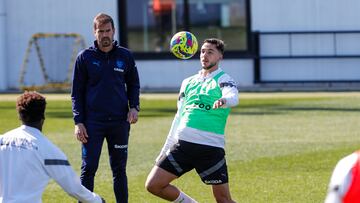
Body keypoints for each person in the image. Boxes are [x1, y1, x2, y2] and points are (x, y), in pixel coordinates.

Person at [145, 38, 238, 203]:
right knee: (153, 185)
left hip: (209, 148)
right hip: (182, 146)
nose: (204, 55)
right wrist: (164, 150)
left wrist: (224, 100)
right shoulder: (187, 82)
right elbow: (178, 117)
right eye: (202, 51)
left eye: (210, 52)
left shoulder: (224, 79)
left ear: (220, 57)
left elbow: (232, 96)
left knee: (223, 200)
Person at [71, 13, 140, 203]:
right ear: (94, 33)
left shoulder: (125, 56)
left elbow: (133, 84)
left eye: (107, 30)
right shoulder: (84, 58)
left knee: (119, 170)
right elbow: (76, 93)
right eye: (100, 31)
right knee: (88, 169)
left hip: (119, 122)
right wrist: (79, 122)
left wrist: (134, 107)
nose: (104, 35)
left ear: (114, 31)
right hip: (93, 124)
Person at [0, 91, 105, 203]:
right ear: (43, 116)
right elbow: (74, 188)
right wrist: (98, 200)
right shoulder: (48, 150)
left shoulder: (2, 140)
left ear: (20, 116)